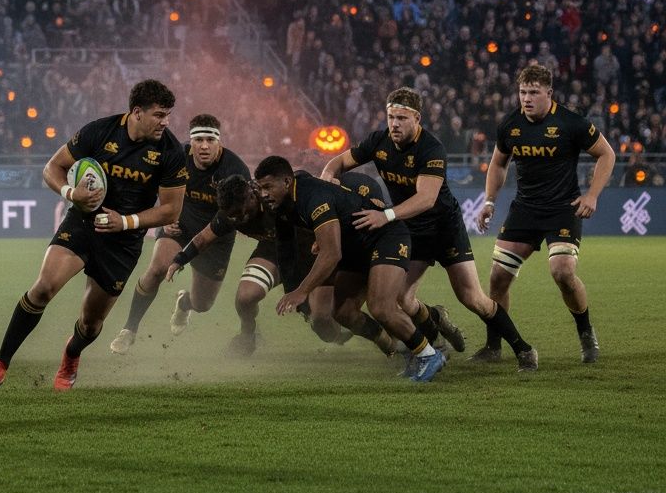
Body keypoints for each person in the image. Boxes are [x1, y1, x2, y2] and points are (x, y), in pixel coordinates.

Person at [0, 79, 187, 391]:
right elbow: (52, 167)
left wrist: (125, 222)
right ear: (136, 112)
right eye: (159, 115)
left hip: (124, 241)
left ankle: (71, 354)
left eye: (168, 115)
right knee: (44, 288)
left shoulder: (169, 150)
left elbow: (171, 210)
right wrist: (70, 193)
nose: (165, 122)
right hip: (83, 224)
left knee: (90, 323)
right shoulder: (100, 131)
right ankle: (0, 363)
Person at [324, 87, 538, 373]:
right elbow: (339, 161)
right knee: (400, 298)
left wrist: (385, 215)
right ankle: (435, 332)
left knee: (472, 298)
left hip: (444, 228)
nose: (394, 124)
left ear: (417, 118)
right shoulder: (379, 141)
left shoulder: (431, 148)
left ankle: (523, 349)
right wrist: (328, 175)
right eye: (390, 117)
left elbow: (426, 199)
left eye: (401, 118)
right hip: (411, 230)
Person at [257, 156, 448, 383]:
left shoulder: (313, 197)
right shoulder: (282, 207)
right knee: (343, 312)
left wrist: (302, 291)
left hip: (385, 238)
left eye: (268, 187)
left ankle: (428, 355)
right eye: (260, 188)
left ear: (287, 182)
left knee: (381, 307)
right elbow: (286, 250)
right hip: (356, 248)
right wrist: (293, 290)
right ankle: (409, 351)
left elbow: (331, 254)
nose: (264, 194)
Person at [475, 65, 616, 364]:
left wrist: (591, 195)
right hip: (525, 208)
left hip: (562, 209)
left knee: (563, 273)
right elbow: (498, 163)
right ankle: (493, 346)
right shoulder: (510, 125)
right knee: (498, 277)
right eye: (523, 92)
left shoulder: (571, 122)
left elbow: (607, 153)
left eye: (534, 93)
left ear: (549, 94)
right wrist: (489, 201)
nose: (527, 98)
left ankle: (586, 332)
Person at [180, 171, 397, 357]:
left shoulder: (280, 195)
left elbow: (307, 186)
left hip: (312, 254)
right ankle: (247, 335)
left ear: (252, 192)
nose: (241, 218)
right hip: (274, 252)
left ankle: (367, 335)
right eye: (235, 215)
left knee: (323, 322)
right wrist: (178, 260)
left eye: (244, 210)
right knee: (245, 297)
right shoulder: (232, 211)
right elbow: (203, 238)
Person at [107, 114, 250, 354]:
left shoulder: (235, 170)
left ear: (219, 142)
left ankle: (184, 303)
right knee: (156, 269)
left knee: (203, 304)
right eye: (198, 139)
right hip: (179, 227)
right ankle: (129, 330)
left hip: (216, 237)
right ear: (190, 141)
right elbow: (149, 186)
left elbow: (232, 216)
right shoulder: (176, 157)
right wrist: (161, 219)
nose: (204, 146)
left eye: (210, 140)